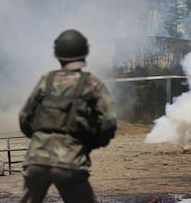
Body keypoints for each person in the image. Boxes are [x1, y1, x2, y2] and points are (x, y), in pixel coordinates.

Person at [18, 29, 117, 203]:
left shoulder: (46, 80)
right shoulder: (92, 83)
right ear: (84, 54)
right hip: (70, 161)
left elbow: (24, 117)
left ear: (58, 55)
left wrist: (39, 138)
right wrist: (89, 143)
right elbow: (109, 123)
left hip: (36, 159)